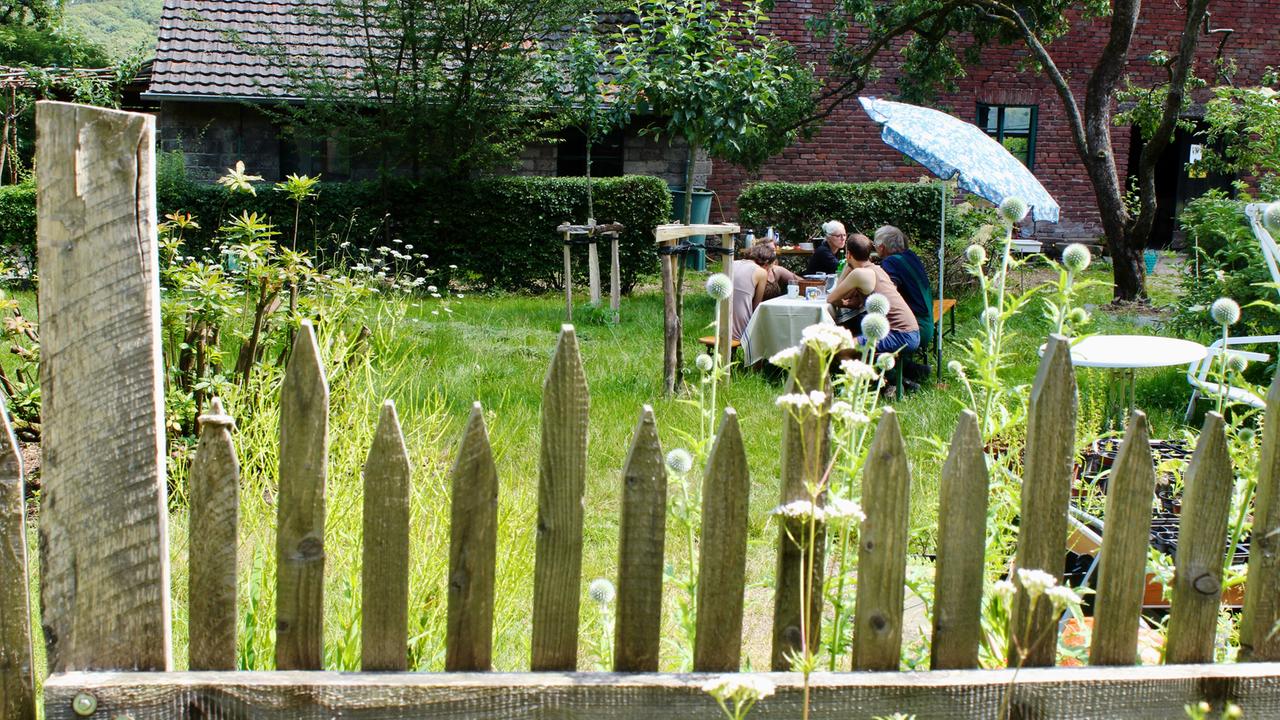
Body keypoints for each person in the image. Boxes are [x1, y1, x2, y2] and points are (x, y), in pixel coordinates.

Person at [827, 233, 920, 354]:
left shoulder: (860, 273)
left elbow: (831, 297)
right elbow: (855, 302)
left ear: (848, 254)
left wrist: (847, 266)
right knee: (850, 337)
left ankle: (856, 372)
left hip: (900, 335)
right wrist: (845, 303)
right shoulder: (877, 269)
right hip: (911, 332)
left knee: (841, 348)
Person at [873, 225, 934, 378]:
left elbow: (887, 295)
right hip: (927, 322)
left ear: (881, 247)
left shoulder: (891, 263)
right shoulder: (910, 255)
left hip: (916, 329)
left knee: (865, 329)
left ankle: (893, 378)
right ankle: (912, 370)